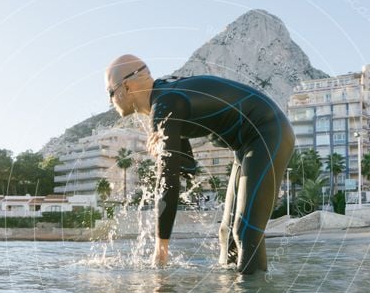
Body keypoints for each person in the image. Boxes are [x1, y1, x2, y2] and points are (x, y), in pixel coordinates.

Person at [105, 54, 294, 274]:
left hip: (268, 131)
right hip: (245, 146)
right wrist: (164, 153)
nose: (110, 101)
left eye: (110, 93)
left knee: (245, 232)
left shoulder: (165, 103)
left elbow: (168, 180)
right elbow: (186, 167)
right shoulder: (166, 99)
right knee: (226, 233)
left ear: (126, 86)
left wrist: (161, 249)